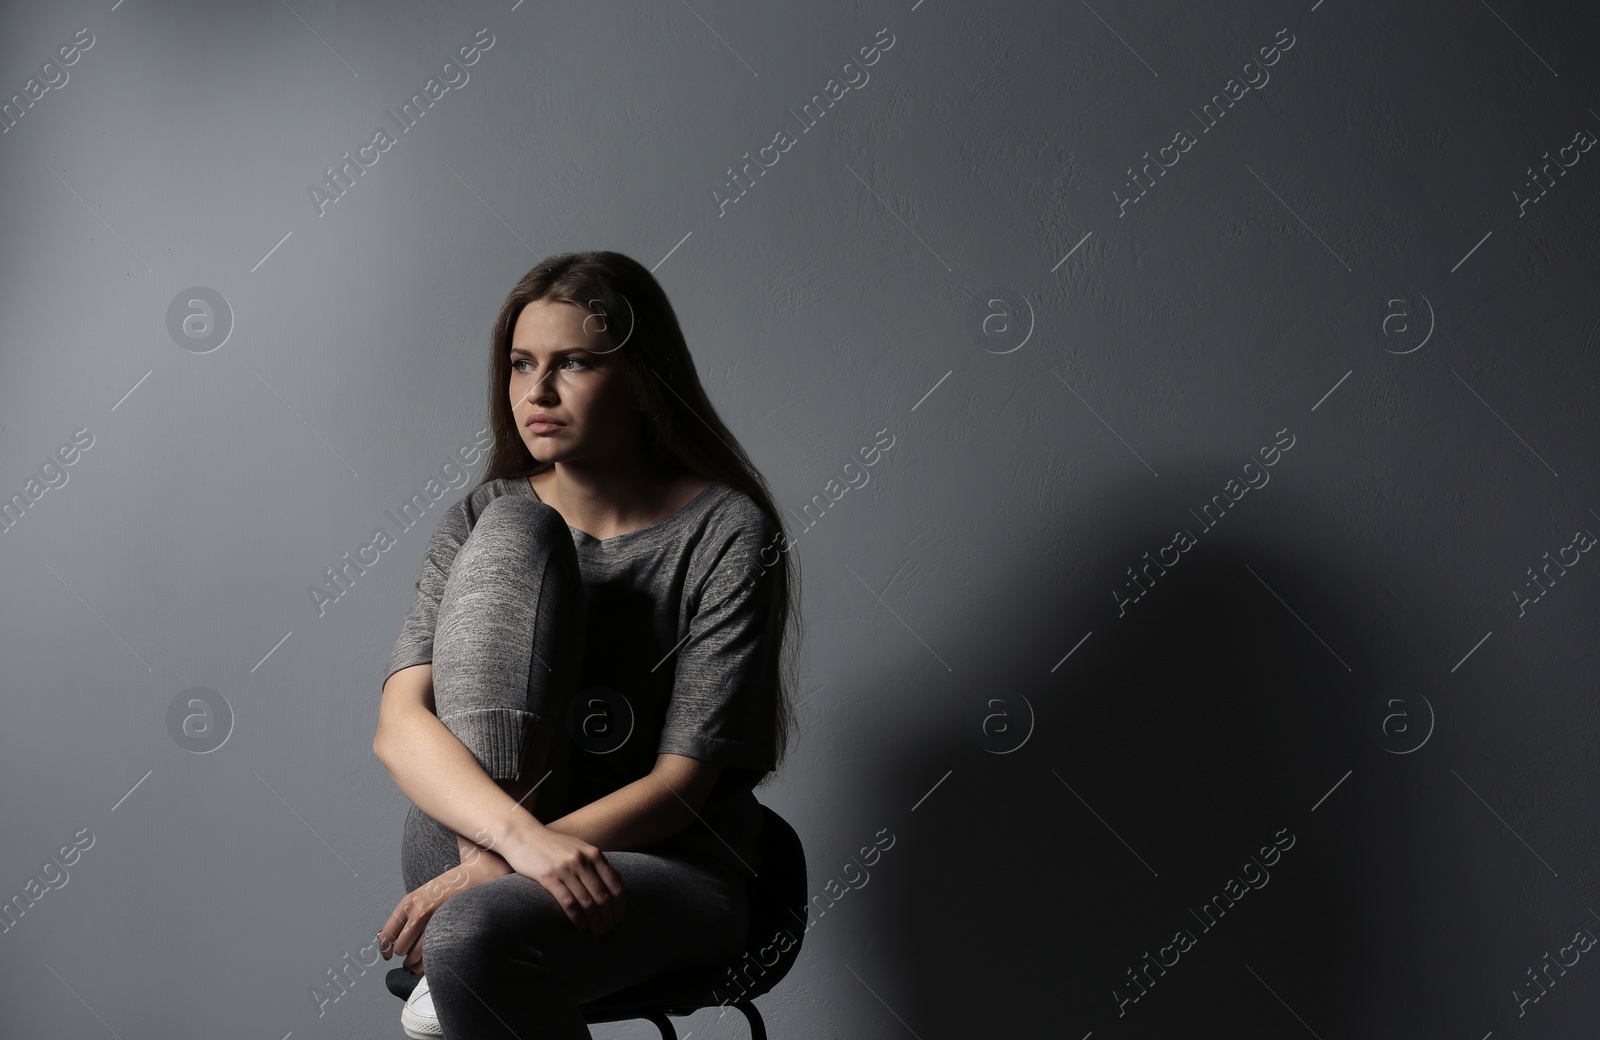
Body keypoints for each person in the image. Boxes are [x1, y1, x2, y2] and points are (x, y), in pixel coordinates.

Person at [371, 251, 802, 1038]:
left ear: (640, 380)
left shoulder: (727, 530)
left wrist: (499, 872)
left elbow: (681, 787)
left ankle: (475, 948)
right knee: (513, 528)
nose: (537, 393)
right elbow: (399, 724)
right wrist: (508, 850)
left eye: (574, 364)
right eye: (520, 365)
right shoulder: (478, 516)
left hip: (661, 866)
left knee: (472, 934)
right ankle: (480, 932)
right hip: (486, 844)